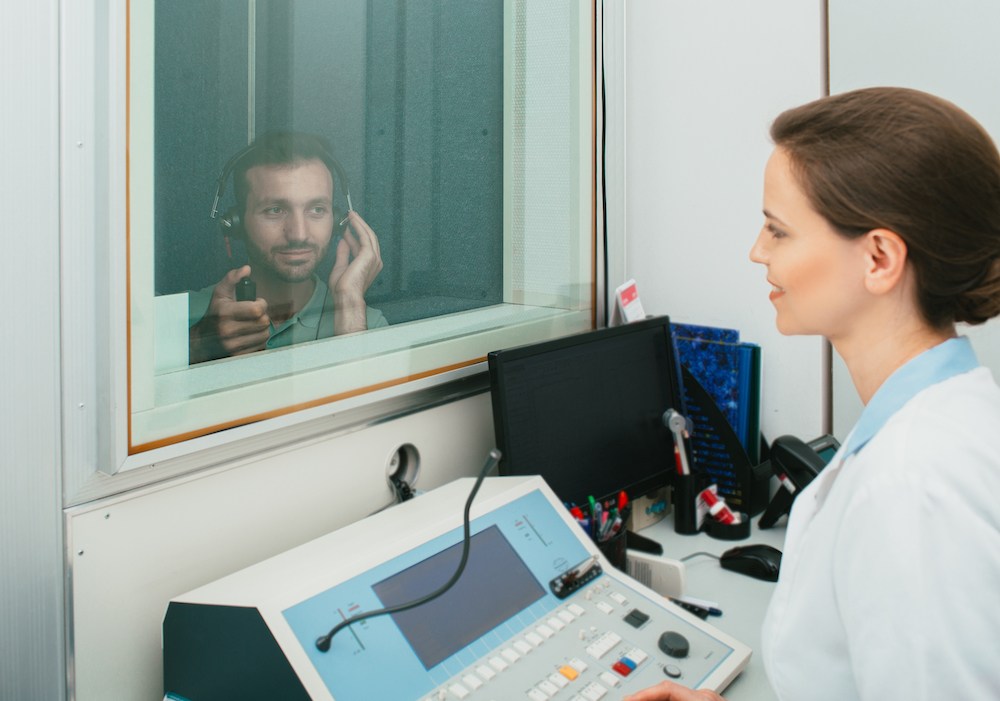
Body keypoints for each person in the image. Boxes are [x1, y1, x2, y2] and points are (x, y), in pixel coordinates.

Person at [626, 87, 1000, 701]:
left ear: (879, 258)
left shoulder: (911, 481)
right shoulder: (930, 419)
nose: (757, 251)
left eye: (778, 231)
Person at [189, 131, 387, 364]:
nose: (299, 234)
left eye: (316, 209)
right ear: (236, 224)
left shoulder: (366, 323)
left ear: (336, 221)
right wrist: (201, 344)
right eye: (275, 210)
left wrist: (350, 309)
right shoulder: (186, 317)